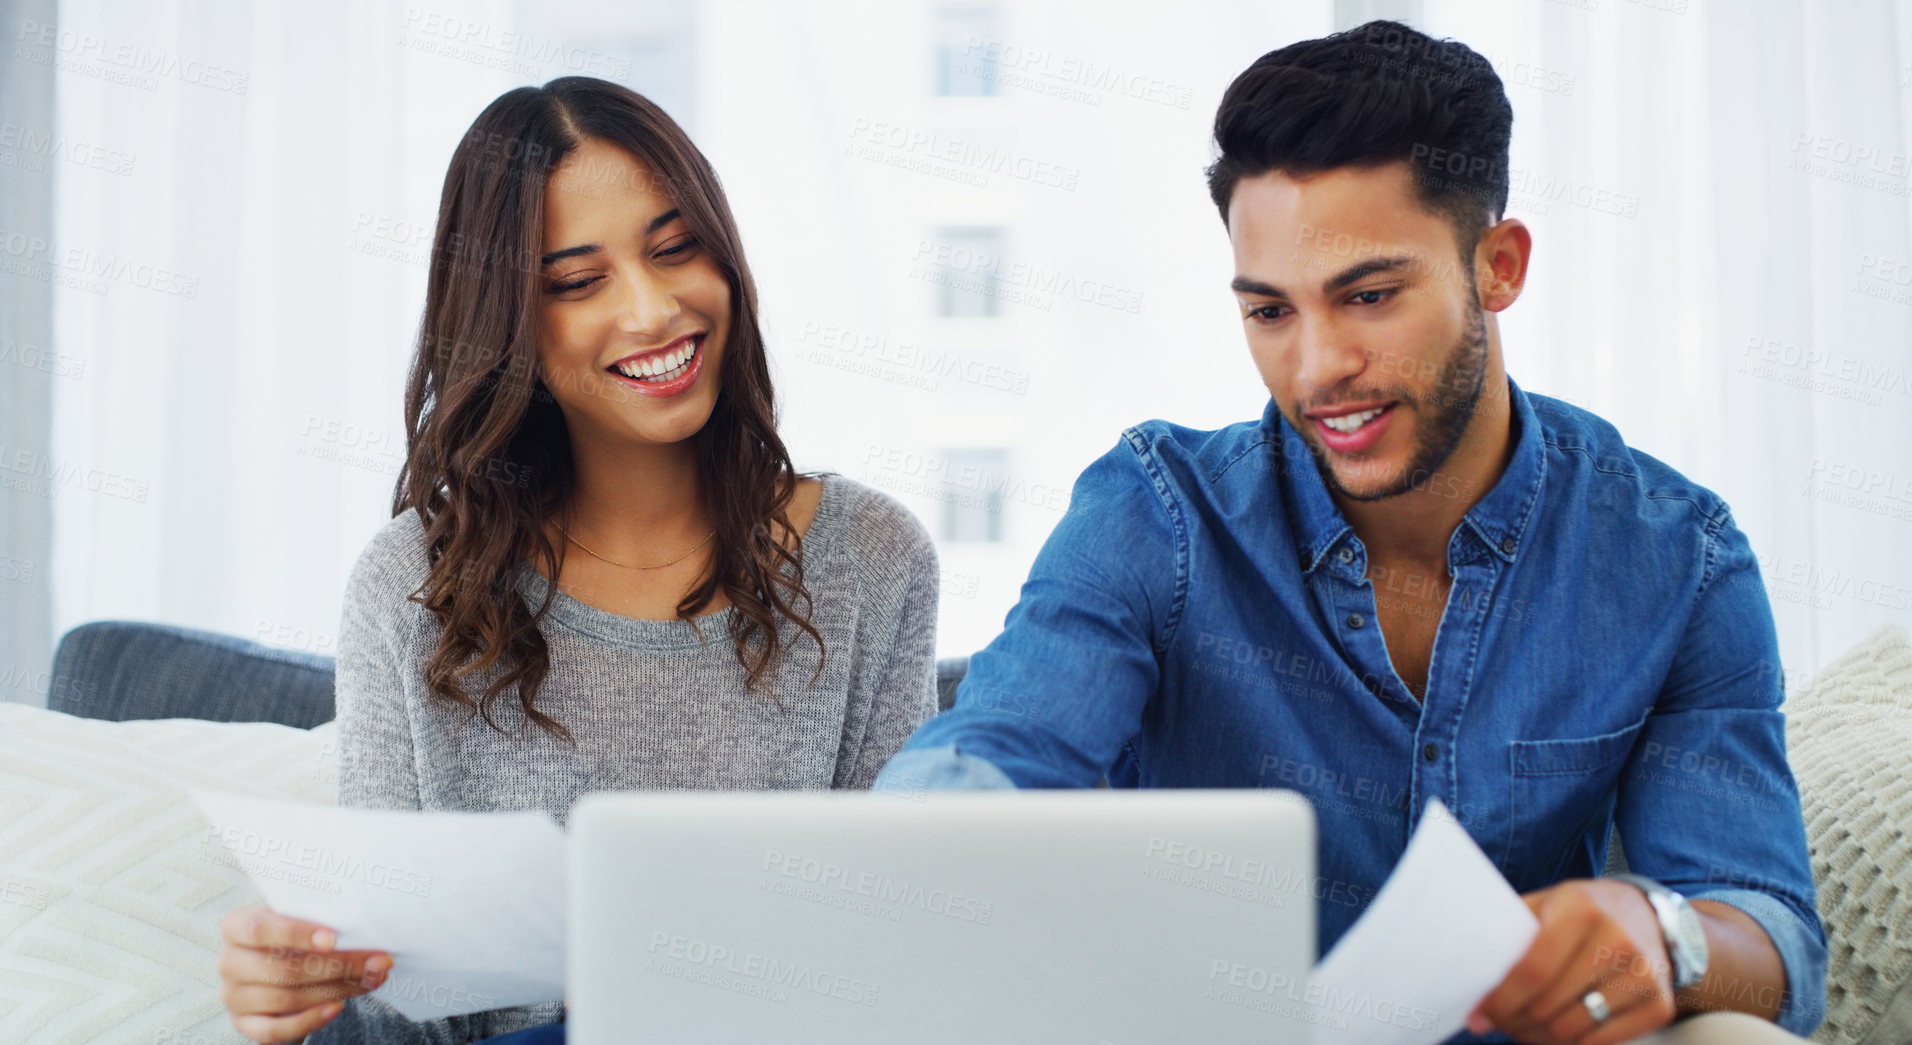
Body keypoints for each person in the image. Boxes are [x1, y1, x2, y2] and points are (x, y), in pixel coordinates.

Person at [876, 20, 1825, 1045]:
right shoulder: (1157, 514)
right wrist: (925, 845)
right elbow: (997, 749)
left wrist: (1659, 930)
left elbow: (1771, 934)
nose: (1316, 367)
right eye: (1270, 313)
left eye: (1368, 297)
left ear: (1497, 266)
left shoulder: (1675, 559)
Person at [213, 76, 941, 1045]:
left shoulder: (871, 558)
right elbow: (394, 998)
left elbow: (898, 952)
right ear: (506, 318)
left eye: (676, 249)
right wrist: (300, 987)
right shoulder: (412, 582)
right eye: (575, 281)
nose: (651, 311)